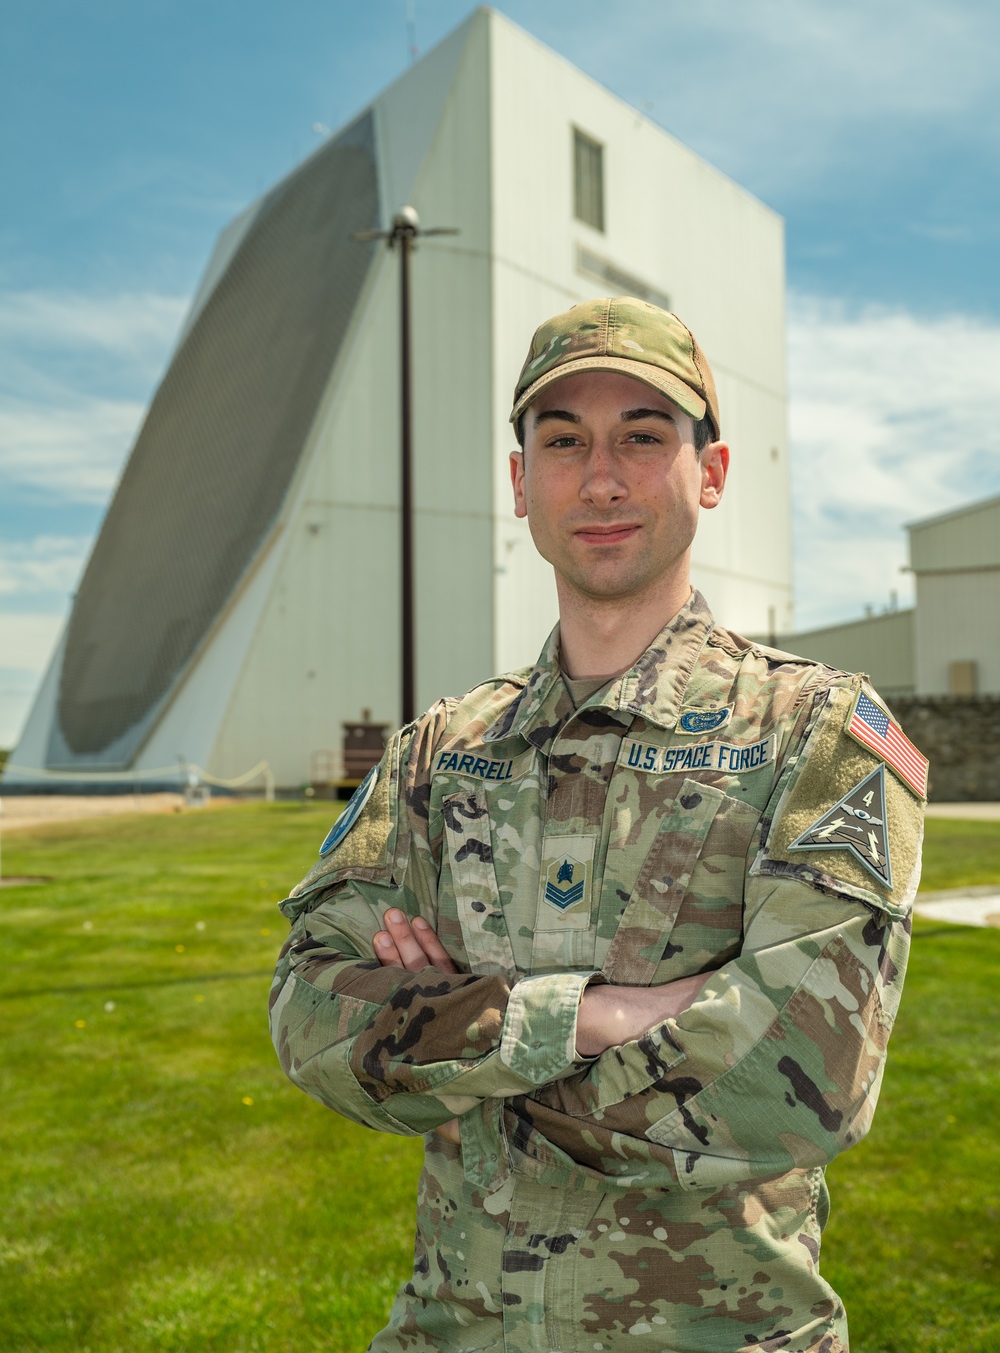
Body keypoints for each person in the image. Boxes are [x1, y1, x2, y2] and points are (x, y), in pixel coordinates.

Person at [270, 297, 926, 1353]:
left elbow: (802, 1076)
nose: (603, 478)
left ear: (708, 474)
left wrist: (452, 1047)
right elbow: (308, 1014)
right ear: (520, 483)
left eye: (643, 438)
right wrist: (593, 1018)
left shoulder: (816, 734)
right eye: (564, 441)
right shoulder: (442, 753)